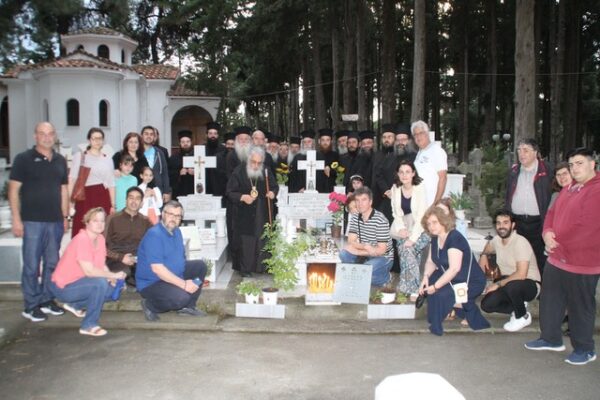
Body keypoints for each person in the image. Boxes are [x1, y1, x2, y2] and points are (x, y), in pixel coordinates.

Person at [525, 147, 600, 366]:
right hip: (557, 257)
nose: (574, 169)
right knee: (551, 300)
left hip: (582, 262)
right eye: (572, 164)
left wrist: (555, 241)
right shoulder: (569, 188)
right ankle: (551, 338)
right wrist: (547, 233)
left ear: (592, 164)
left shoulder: (596, 190)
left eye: (579, 163)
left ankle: (585, 349)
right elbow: (551, 213)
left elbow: (587, 226)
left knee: (580, 307)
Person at [9, 122, 69, 322]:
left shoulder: (60, 160)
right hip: (32, 221)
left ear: (55, 136)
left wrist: (65, 217)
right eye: (42, 133)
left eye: (50, 133)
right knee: (31, 265)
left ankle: (47, 299)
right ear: (35, 136)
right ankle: (31, 305)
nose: (47, 137)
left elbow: (64, 190)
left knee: (52, 263)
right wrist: (16, 219)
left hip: (55, 221)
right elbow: (13, 190)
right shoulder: (23, 159)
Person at [49, 208, 127, 336]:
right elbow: (90, 271)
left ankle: (75, 305)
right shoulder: (82, 239)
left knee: (114, 290)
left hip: (80, 282)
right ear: (87, 222)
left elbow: (101, 265)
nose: (99, 224)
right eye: (95, 220)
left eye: (102, 221)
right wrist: (112, 275)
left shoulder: (100, 238)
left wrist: (113, 279)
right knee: (100, 284)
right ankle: (89, 325)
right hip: (63, 287)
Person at [419, 202, 490, 336]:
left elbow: (454, 269)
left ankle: (462, 309)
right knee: (431, 281)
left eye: (434, 222)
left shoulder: (454, 238)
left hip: (470, 281)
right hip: (454, 279)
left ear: (443, 221)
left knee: (439, 293)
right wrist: (425, 277)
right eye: (428, 224)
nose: (431, 226)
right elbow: (431, 261)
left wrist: (436, 287)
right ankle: (450, 309)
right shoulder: (435, 238)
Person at [136, 201, 208, 321]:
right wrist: (184, 284)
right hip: (153, 283)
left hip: (173, 275)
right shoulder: (154, 235)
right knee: (181, 298)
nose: (174, 218)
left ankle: (188, 307)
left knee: (200, 266)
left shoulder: (177, 232)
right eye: (170, 214)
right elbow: (158, 270)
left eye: (178, 216)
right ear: (163, 214)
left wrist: (188, 280)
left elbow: (181, 257)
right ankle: (150, 305)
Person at [480, 209, 541, 332]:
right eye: (498, 223)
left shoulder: (520, 242)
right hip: (508, 283)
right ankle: (519, 307)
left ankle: (522, 316)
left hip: (529, 284)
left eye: (505, 222)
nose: (501, 226)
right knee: (487, 305)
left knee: (512, 286)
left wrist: (497, 284)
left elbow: (521, 274)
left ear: (513, 225)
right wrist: (483, 255)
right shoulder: (497, 240)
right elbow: (488, 247)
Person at [226, 146, 278, 276]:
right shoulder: (239, 171)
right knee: (247, 241)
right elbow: (230, 192)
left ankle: (263, 267)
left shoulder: (266, 170)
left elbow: (274, 186)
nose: (256, 166)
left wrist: (272, 193)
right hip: (244, 212)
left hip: (262, 211)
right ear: (249, 160)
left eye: (259, 163)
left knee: (262, 238)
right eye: (253, 162)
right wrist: (243, 197)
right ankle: (245, 269)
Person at [505, 138, 553, 275]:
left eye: (526, 150)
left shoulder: (547, 171)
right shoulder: (514, 171)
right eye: (519, 150)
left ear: (535, 152)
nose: (521, 154)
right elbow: (508, 195)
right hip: (517, 221)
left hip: (539, 222)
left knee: (539, 258)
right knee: (518, 255)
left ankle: (541, 285)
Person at [390, 160, 430, 299]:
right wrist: (401, 229)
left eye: (407, 172)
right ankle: (414, 287)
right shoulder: (395, 188)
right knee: (405, 248)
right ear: (398, 174)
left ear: (413, 173)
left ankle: (409, 287)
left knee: (406, 248)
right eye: (401, 172)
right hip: (405, 228)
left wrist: (412, 239)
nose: (404, 175)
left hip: (422, 229)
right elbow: (396, 213)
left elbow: (422, 216)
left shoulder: (419, 187)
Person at [339, 187, 394, 287]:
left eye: (364, 200)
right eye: (357, 200)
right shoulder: (355, 217)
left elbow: (381, 250)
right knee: (344, 254)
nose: (360, 204)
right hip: (367, 253)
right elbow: (351, 241)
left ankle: (385, 277)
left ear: (370, 202)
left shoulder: (380, 220)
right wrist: (365, 247)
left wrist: (358, 251)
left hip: (384, 257)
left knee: (364, 271)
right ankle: (360, 274)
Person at [69, 127, 115, 238]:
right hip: (85, 197)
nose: (97, 141)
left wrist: (113, 205)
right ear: (89, 140)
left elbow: (111, 183)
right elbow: (72, 179)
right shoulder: (81, 156)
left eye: (100, 138)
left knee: (101, 229)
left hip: (103, 196)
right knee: (83, 227)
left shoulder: (108, 159)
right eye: (94, 138)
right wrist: (70, 202)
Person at [104, 187, 152, 287]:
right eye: (131, 198)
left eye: (137, 198)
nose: (134, 201)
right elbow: (101, 247)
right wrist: (120, 257)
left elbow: (153, 244)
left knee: (153, 272)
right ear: (126, 200)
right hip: (116, 260)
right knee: (124, 272)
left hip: (138, 260)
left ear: (141, 202)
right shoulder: (112, 219)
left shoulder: (146, 221)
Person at [413, 120, 447, 206]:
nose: (418, 137)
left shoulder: (437, 151)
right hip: (419, 202)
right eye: (415, 134)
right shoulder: (419, 153)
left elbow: (443, 178)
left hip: (431, 202)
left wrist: (435, 204)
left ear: (427, 133)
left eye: (420, 133)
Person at [372, 124, 401, 221]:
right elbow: (376, 174)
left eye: (389, 137)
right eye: (384, 137)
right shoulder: (377, 155)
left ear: (395, 139)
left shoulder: (399, 154)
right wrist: (385, 190)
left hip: (395, 195)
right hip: (378, 197)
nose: (386, 140)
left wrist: (391, 190)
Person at [141, 125, 171, 203]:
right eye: (146, 134)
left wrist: (166, 191)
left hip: (157, 190)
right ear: (141, 136)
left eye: (151, 134)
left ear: (154, 137)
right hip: (141, 190)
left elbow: (165, 173)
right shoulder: (137, 152)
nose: (149, 136)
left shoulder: (159, 153)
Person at [168, 130, 195, 199]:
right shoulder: (173, 158)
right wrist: (178, 173)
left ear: (191, 142)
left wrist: (196, 172)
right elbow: (169, 175)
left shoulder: (197, 156)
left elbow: (206, 172)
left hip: (194, 191)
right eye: (183, 142)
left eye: (188, 141)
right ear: (179, 143)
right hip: (179, 192)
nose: (185, 144)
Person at [205, 122, 226, 196]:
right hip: (205, 183)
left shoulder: (224, 149)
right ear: (207, 135)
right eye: (210, 133)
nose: (212, 136)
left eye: (215, 133)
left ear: (218, 135)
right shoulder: (200, 148)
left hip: (219, 184)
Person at [316, 128, 339, 193]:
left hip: (332, 189)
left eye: (327, 140)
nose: (325, 143)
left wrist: (330, 171)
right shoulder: (314, 156)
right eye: (323, 140)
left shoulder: (336, 155)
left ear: (331, 141)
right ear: (319, 141)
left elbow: (340, 172)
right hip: (317, 189)